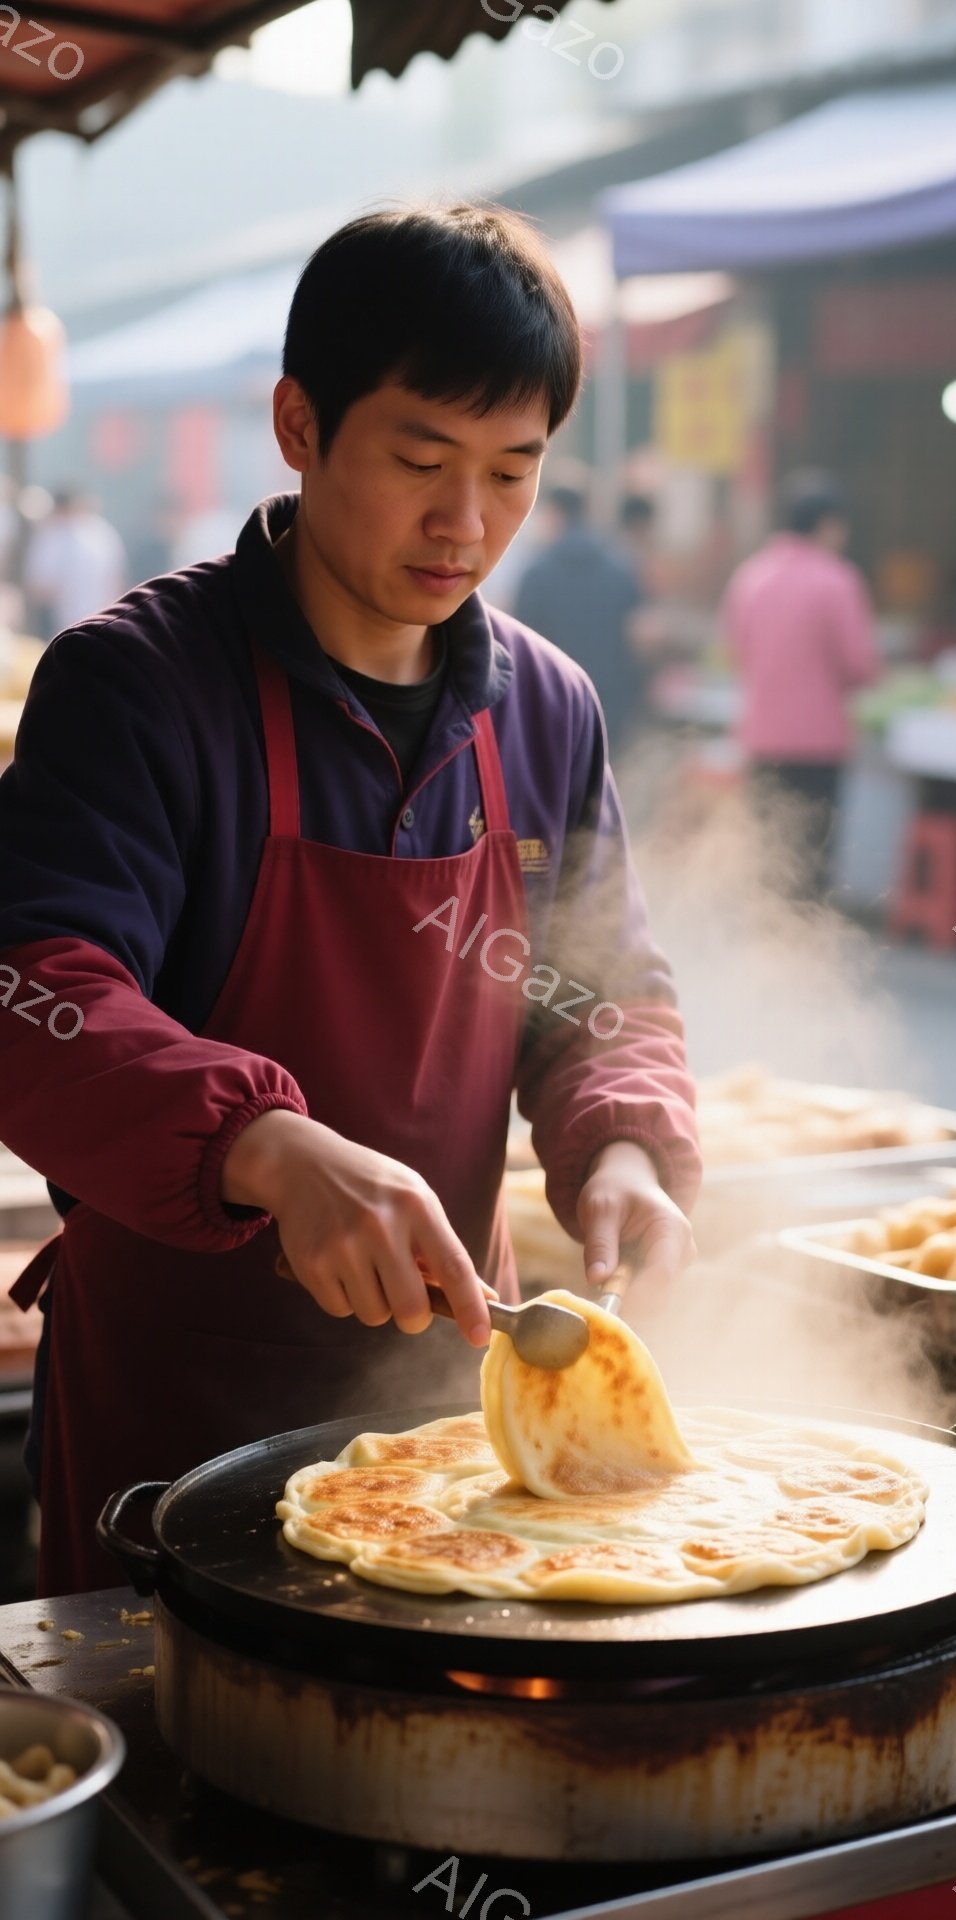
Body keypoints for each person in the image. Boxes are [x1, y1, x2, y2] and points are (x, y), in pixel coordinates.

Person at [0, 205, 701, 1596]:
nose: (468, 523)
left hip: (462, 1390)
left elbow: (600, 989)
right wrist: (263, 1143)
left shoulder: (546, 708)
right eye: (421, 459)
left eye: (515, 471)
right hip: (172, 1403)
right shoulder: (138, 686)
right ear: (301, 425)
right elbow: (33, 987)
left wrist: (623, 1139)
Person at [722, 469, 881, 899]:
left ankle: (763, 948)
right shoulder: (837, 580)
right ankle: (802, 954)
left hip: (760, 741)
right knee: (810, 860)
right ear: (829, 525)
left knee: (768, 854)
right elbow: (860, 666)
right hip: (817, 747)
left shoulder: (750, 577)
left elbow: (736, 651)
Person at [513, 470, 647, 759]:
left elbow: (518, 649)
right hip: (610, 702)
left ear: (553, 512)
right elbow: (639, 636)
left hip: (551, 704)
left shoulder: (536, 573)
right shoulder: (622, 568)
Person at [24, 489, 127, 638]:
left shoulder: (56, 534)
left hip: (66, 624)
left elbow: (40, 588)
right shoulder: (104, 532)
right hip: (102, 620)